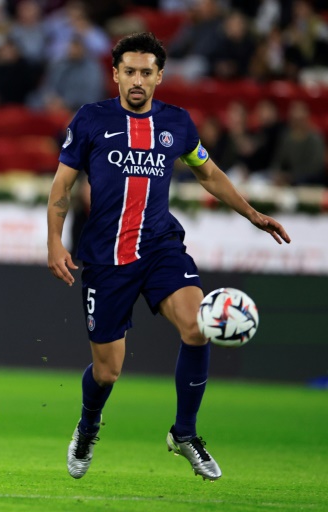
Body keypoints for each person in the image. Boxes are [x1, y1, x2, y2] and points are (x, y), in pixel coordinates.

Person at [46, 32, 291, 482]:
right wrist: (54, 243)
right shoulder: (90, 120)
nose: (137, 80)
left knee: (198, 329)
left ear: (159, 76)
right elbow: (62, 187)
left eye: (146, 72)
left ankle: (184, 432)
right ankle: (88, 424)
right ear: (115, 74)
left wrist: (253, 214)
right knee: (108, 370)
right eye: (129, 72)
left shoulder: (178, 123)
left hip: (161, 246)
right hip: (106, 258)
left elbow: (210, 174)